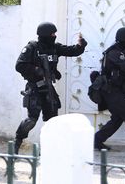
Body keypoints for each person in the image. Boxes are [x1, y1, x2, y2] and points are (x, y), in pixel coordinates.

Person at [14, 22, 87, 154]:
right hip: (34, 87)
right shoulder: (32, 47)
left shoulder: (55, 47)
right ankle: (16, 143)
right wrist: (37, 70)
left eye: (55, 33)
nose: (54, 36)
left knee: (53, 120)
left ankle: (50, 149)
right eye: (52, 34)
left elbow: (72, 51)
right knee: (31, 120)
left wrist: (81, 45)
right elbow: (19, 65)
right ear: (45, 34)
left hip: (48, 88)